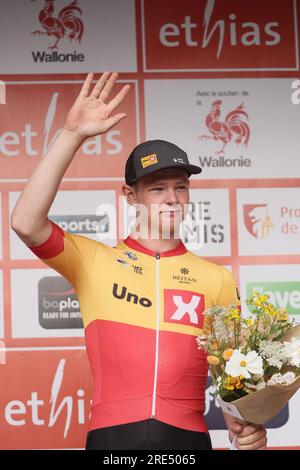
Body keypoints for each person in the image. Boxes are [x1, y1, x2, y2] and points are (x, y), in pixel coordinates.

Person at [11, 71, 267, 450]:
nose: (171, 198)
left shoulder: (215, 279)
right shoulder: (93, 261)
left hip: (188, 440)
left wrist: (247, 429)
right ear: (130, 196)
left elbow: (232, 384)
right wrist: (72, 135)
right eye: (157, 188)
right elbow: (25, 223)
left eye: (180, 187)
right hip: (113, 439)